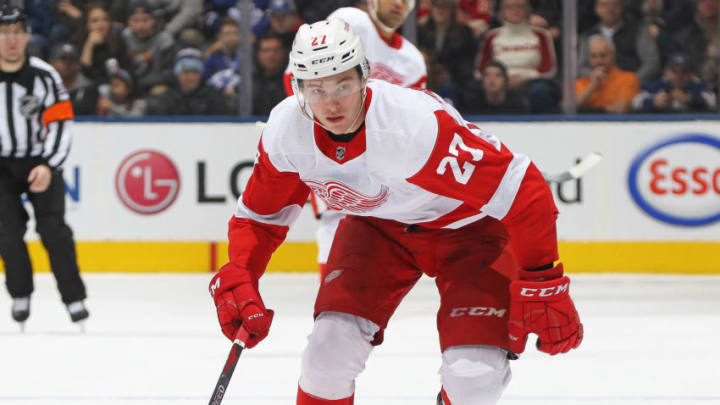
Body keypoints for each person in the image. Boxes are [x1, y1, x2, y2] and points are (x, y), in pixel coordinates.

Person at [209, 18, 583, 405]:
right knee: (326, 357)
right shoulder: (287, 130)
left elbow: (522, 187)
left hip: (471, 232)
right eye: (316, 89)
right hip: (379, 228)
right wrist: (240, 273)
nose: (332, 102)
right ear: (298, 88)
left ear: (364, 77)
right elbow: (260, 217)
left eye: (343, 84)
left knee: (473, 381)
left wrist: (543, 279)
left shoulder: (414, 128)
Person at [284, 0, 427, 274]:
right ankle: (332, 308)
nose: (399, 4)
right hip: (333, 141)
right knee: (334, 219)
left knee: (380, 227)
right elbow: (297, 75)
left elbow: (414, 116)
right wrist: (317, 129)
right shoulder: (352, 21)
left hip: (381, 155)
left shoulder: (413, 60)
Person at [0, 6, 89, 327]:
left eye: (16, 33)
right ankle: (20, 294)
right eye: (4, 33)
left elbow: (62, 123)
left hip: (40, 160)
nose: (10, 40)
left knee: (54, 231)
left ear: (26, 37)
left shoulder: (44, 75)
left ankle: (74, 298)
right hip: (2, 165)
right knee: (7, 233)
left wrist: (49, 164)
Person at [475, 0, 559, 113]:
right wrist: (502, 80)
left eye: (520, 6)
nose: (515, 10)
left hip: (531, 84)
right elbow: (479, 71)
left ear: (528, 9)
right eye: (509, 7)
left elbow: (549, 69)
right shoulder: (491, 37)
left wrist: (524, 78)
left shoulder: (542, 35)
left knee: (541, 91)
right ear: (502, 11)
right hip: (498, 83)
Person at [578, 0, 660, 86]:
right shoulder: (587, 35)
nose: (610, 8)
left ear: (621, 7)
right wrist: (594, 77)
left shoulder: (638, 31)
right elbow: (581, 67)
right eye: (604, 4)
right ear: (596, 8)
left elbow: (651, 63)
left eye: (614, 4)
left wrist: (631, 82)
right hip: (597, 90)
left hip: (632, 90)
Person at [145, 48, 233, 115]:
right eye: (186, 72)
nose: (191, 77)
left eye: (195, 72)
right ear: (177, 74)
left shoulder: (214, 98)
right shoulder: (166, 98)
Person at [575, 34, 640, 114]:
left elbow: (622, 108)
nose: (599, 61)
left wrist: (591, 110)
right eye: (593, 56)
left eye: (603, 55)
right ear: (588, 58)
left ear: (613, 55)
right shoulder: (580, 83)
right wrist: (592, 87)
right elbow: (569, 109)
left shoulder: (628, 79)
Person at [632, 53, 717, 113]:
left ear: (691, 74)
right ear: (667, 72)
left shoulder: (698, 85)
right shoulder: (658, 85)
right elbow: (636, 101)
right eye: (675, 72)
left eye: (684, 72)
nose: (679, 76)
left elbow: (711, 100)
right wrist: (654, 102)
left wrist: (689, 99)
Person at [456, 60, 529, 115]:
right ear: (482, 80)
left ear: (505, 80)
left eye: (497, 75)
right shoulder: (472, 104)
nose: (492, 79)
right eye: (487, 75)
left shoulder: (517, 104)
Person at [252, 31, 289, 116]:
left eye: (276, 50)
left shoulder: (293, 81)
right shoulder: (249, 82)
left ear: (283, 52)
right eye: (266, 50)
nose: (271, 55)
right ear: (258, 54)